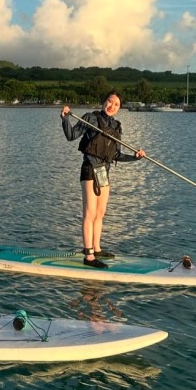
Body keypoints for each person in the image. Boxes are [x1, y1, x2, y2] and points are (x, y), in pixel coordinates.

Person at [60, 91, 145, 269]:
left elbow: (116, 155)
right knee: (90, 213)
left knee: (100, 213)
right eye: (109, 101)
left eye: (116, 105)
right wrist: (65, 118)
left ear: (119, 109)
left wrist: (135, 157)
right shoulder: (90, 118)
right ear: (103, 101)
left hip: (104, 172)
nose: (112, 106)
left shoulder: (117, 126)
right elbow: (70, 135)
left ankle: (97, 248)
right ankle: (88, 255)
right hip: (90, 168)